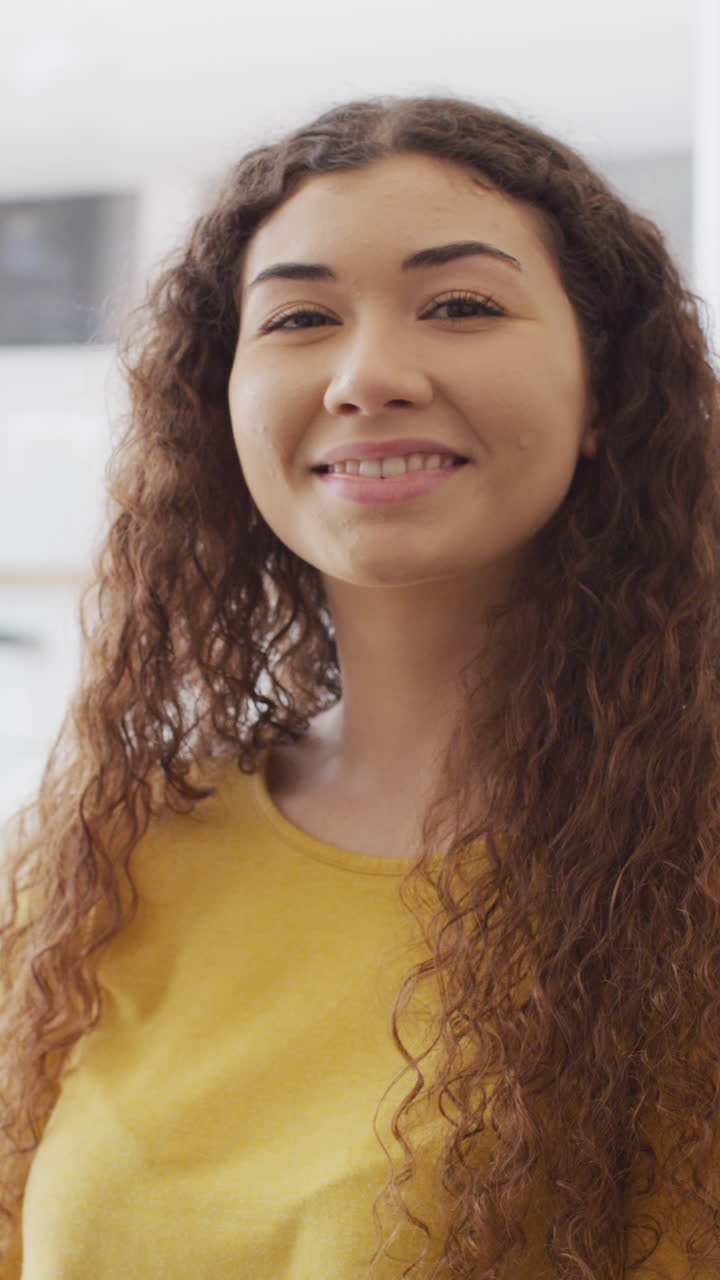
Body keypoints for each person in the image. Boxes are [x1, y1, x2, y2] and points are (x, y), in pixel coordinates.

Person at [1, 92, 719, 1280]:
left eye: (461, 305)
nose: (367, 373)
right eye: (298, 318)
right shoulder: (87, 866)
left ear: (608, 393)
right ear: (217, 404)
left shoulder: (684, 866)